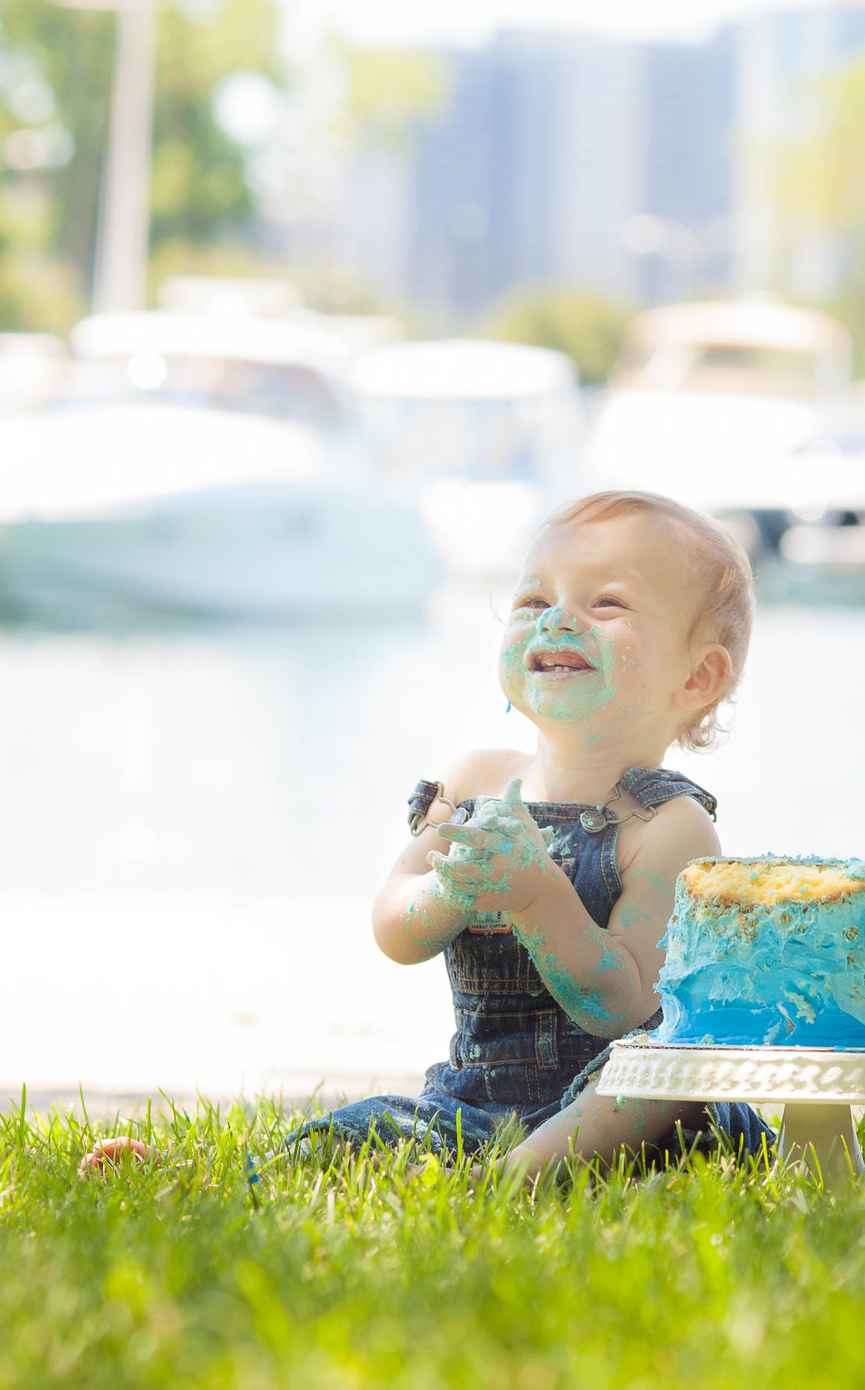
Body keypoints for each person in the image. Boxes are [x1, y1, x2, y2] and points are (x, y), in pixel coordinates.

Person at [79, 488, 772, 1181]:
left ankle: (519, 1178)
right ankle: (219, 1180)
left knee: (660, 1078)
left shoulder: (669, 827)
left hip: (609, 1107)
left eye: (608, 603)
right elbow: (394, 926)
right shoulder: (473, 782)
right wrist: (447, 891)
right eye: (534, 601)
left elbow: (623, 1004)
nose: (558, 617)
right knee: (368, 1128)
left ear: (698, 675)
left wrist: (539, 898)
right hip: (473, 1105)